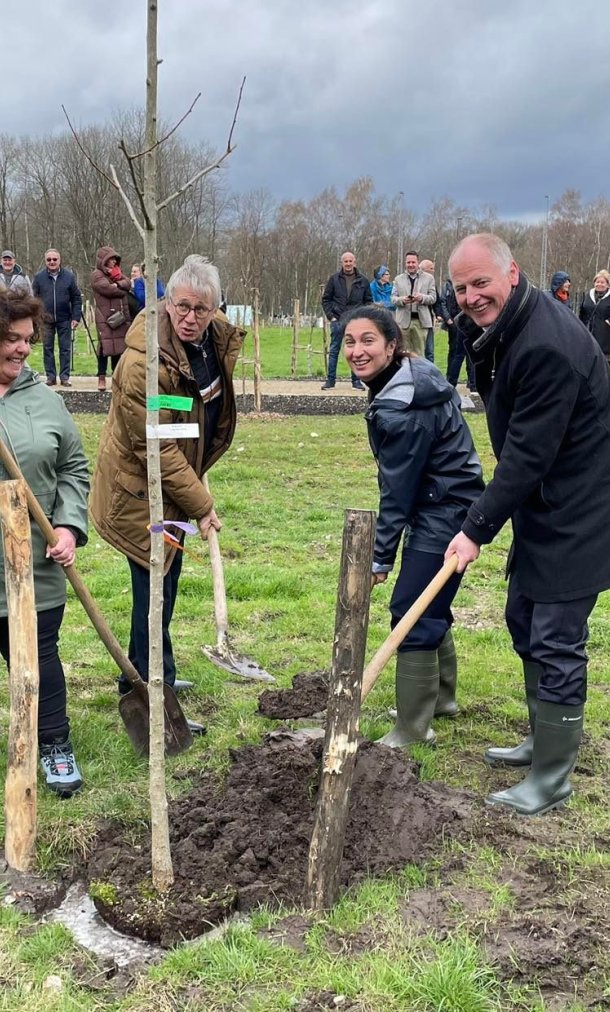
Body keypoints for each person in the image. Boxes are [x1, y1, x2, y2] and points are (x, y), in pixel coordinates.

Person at [445, 233, 610, 816]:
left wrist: (474, 528)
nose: (469, 297)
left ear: (511, 273)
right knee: (522, 615)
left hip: (581, 506)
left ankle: (553, 778)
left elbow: (526, 455)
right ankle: (543, 737)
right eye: (460, 287)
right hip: (546, 499)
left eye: (480, 283)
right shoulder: (508, 327)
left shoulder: (546, 344)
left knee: (557, 637)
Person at [90, 255, 244, 730]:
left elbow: (198, 416)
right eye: (182, 306)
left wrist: (196, 480)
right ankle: (156, 692)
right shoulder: (143, 361)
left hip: (174, 488)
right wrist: (202, 502)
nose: (191, 318)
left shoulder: (212, 339)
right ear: (166, 300)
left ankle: (146, 676)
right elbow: (158, 448)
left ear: (217, 308)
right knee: (154, 588)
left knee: (165, 584)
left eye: (202, 309)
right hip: (142, 494)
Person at [341, 305, 484, 746]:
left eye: (368, 341)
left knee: (412, 606)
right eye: (350, 341)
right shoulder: (405, 377)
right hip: (446, 499)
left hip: (445, 509)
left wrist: (380, 556)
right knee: (429, 600)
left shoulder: (404, 405)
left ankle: (412, 729)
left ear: (391, 345)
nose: (357, 351)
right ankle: (440, 700)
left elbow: (398, 491)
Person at [0, 289, 89, 796]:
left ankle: (54, 744)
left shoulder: (45, 399)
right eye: (10, 339)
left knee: (38, 656)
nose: (22, 350)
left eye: (28, 341)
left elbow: (73, 467)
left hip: (35, 561)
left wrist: (69, 527)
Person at [321, 251, 371, 390]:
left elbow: (368, 301)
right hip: (338, 320)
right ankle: (330, 381)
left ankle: (356, 381)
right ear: (341, 263)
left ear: (355, 262)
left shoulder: (363, 280)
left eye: (350, 261)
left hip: (356, 321)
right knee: (334, 350)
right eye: (345, 261)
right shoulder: (334, 279)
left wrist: (362, 316)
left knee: (357, 351)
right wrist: (331, 316)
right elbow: (326, 299)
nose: (348, 264)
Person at [33, 248, 82, 387]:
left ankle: (65, 377)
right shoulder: (39, 278)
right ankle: (51, 377)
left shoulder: (69, 277)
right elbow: (34, 299)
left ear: (59, 260)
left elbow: (76, 298)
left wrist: (76, 317)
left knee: (65, 348)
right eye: (49, 259)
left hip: (64, 318)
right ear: (45, 261)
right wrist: (36, 317)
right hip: (46, 320)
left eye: (55, 259)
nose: (52, 262)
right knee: (47, 348)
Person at [91, 246, 131, 391]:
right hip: (105, 317)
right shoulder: (97, 275)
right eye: (110, 259)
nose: (113, 261)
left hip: (120, 318)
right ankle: (101, 377)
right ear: (104, 261)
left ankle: (116, 377)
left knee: (118, 348)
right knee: (104, 347)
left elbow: (128, 283)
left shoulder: (117, 273)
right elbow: (108, 289)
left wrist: (117, 282)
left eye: (115, 259)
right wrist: (120, 288)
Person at [391, 252, 436, 358]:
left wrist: (422, 298)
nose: (410, 265)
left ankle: (419, 374)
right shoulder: (398, 279)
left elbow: (433, 298)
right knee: (402, 353)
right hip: (403, 322)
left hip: (420, 322)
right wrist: (402, 300)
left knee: (419, 355)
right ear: (405, 263)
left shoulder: (429, 278)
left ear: (418, 263)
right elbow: (393, 298)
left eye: (413, 262)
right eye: (408, 262)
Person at [439, 277, 477, 392]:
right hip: (466, 319)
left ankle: (457, 382)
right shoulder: (465, 285)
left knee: (460, 354)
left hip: (462, 320)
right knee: (464, 354)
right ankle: (470, 384)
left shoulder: (457, 286)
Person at [579, 269, 610, 358]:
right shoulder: (588, 296)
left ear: (607, 284)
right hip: (587, 335)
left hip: (605, 339)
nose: (599, 284)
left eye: (602, 282)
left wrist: (607, 322)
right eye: (597, 282)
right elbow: (582, 312)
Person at [419, 258, 438, 363]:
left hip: (428, 320)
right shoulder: (415, 281)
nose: (433, 271)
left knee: (430, 351)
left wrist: (439, 314)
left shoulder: (431, 282)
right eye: (431, 268)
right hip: (414, 321)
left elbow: (435, 299)